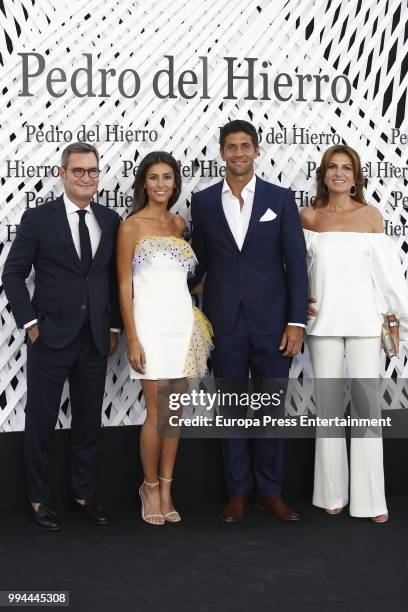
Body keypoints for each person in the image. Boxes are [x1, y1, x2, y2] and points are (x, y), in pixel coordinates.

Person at [189, 120, 308, 523]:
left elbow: (295, 263)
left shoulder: (280, 197)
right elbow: (199, 261)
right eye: (230, 147)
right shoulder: (203, 202)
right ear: (221, 153)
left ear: (257, 151)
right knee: (232, 409)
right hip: (225, 323)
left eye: (245, 146)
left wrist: (296, 322)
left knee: (271, 410)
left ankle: (271, 493)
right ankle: (238, 493)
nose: (238, 153)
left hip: (274, 324)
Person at [2, 142, 121, 530]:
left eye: (92, 171)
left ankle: (82, 495)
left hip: (94, 340)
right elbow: (13, 275)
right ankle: (38, 500)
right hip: (49, 337)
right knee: (41, 422)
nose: (86, 177)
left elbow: (114, 279)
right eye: (78, 171)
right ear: (62, 173)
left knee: (89, 423)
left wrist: (115, 326)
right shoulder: (39, 219)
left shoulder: (110, 218)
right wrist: (30, 324)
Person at [300, 144, 408, 523]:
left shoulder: (371, 216)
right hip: (323, 324)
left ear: (356, 176)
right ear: (324, 174)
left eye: (347, 168)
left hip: (365, 323)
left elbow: (387, 276)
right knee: (328, 410)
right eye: (333, 167)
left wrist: (395, 318)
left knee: (366, 410)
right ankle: (331, 493)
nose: (340, 174)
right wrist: (299, 304)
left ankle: (371, 502)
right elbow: (294, 270)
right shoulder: (308, 217)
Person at [117, 151, 212, 526]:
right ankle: (149, 486)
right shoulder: (131, 226)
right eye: (154, 177)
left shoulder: (178, 223)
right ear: (144, 182)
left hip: (182, 324)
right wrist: (132, 337)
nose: (161, 184)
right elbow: (124, 285)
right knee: (157, 413)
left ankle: (168, 487)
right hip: (150, 326)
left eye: (167, 177)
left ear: (175, 183)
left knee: (175, 414)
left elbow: (185, 280)